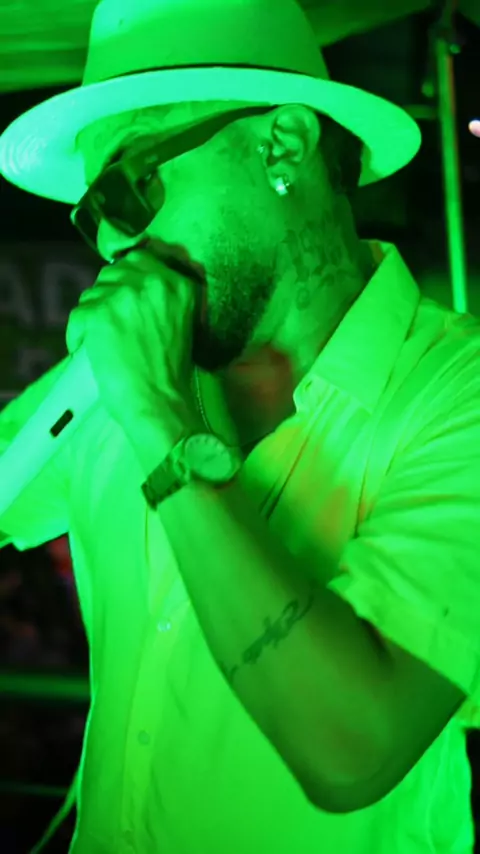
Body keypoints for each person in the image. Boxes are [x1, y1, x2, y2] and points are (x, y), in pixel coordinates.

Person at [0, 0, 479, 852]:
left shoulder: (456, 396)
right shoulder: (118, 379)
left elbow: (353, 749)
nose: (112, 244)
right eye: (92, 213)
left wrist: (161, 422)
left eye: (130, 186)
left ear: (283, 144)